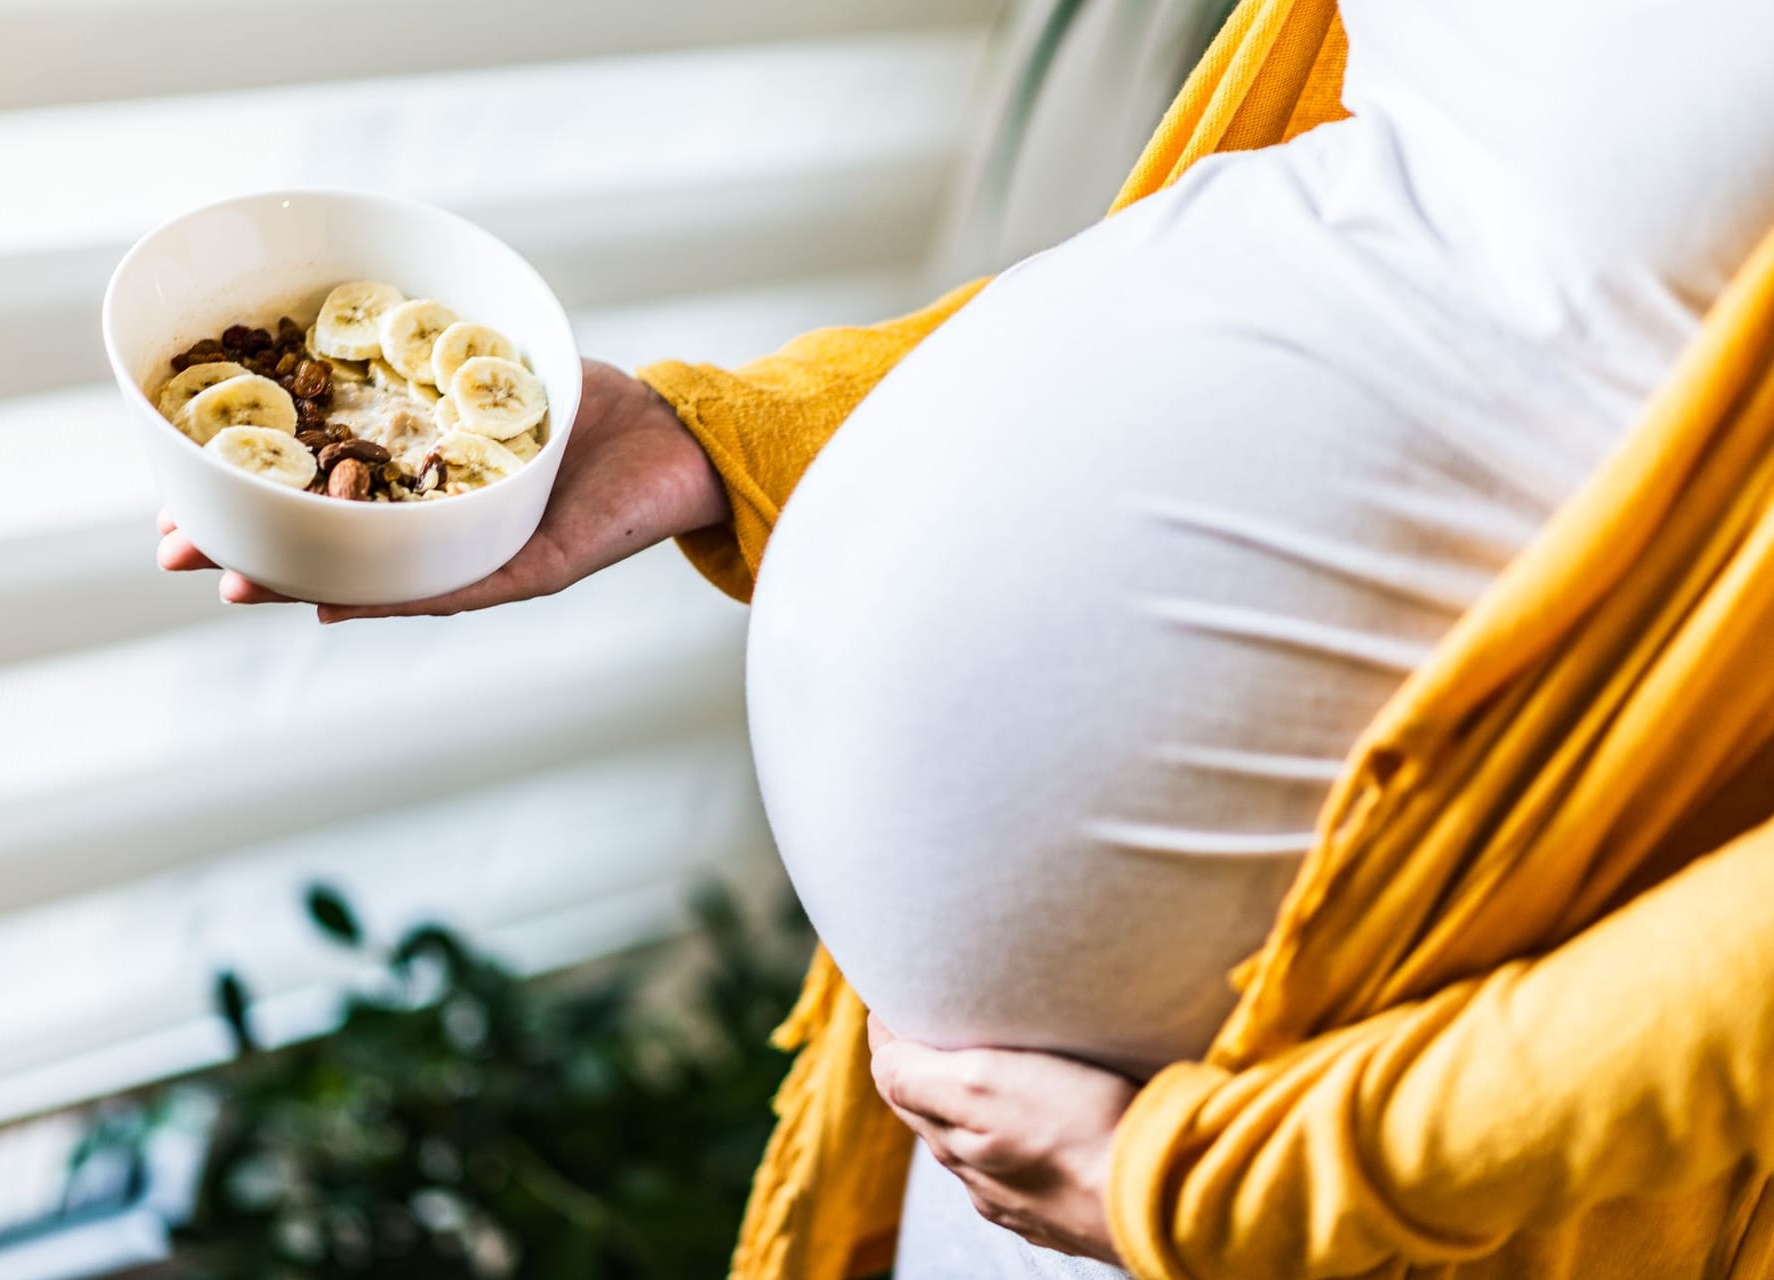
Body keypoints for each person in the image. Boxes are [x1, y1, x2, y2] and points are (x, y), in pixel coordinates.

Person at [158, 0, 1774, 1273]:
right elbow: (1383, 213)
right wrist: (723, 435)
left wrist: (1242, 1182)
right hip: (1040, 1151)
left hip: (1395, 1170)